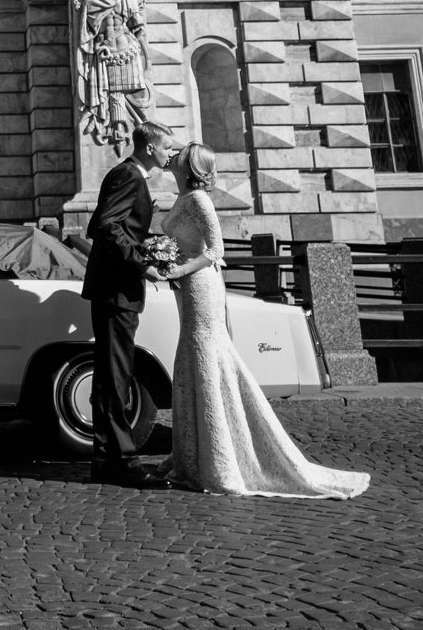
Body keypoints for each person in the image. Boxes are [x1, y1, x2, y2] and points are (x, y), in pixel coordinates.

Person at [152, 143, 371, 499]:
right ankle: (194, 457)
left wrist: (179, 268)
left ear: (188, 165)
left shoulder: (198, 201)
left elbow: (216, 251)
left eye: (180, 150)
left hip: (201, 286)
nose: (172, 152)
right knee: (194, 357)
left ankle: (219, 460)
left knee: (207, 355)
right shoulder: (182, 198)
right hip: (186, 285)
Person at [80, 120, 180, 487]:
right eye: (168, 147)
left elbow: (108, 225)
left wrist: (148, 247)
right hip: (117, 290)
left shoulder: (127, 175)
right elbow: (105, 225)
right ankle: (122, 463)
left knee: (111, 378)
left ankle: (107, 461)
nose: (171, 153)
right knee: (115, 377)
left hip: (114, 289)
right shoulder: (129, 176)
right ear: (151, 148)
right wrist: (143, 263)